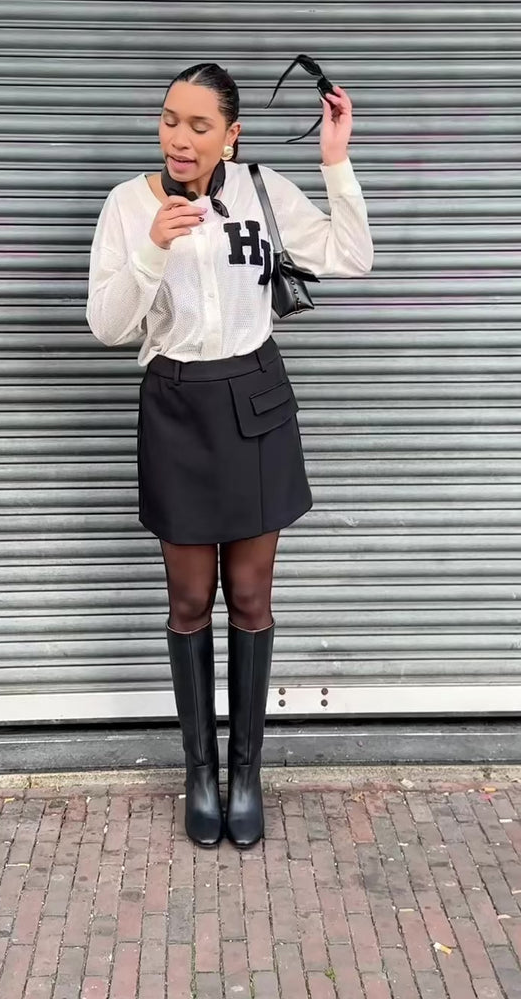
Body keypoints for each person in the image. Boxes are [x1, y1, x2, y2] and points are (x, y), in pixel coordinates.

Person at [86, 62, 373, 849]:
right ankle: (200, 773)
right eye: (169, 119)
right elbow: (107, 326)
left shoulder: (261, 190)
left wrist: (336, 161)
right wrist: (152, 248)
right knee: (189, 601)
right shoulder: (128, 205)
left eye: (199, 125)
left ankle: (247, 774)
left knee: (250, 595)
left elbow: (351, 255)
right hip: (176, 406)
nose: (179, 138)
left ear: (231, 134)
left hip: (256, 401)